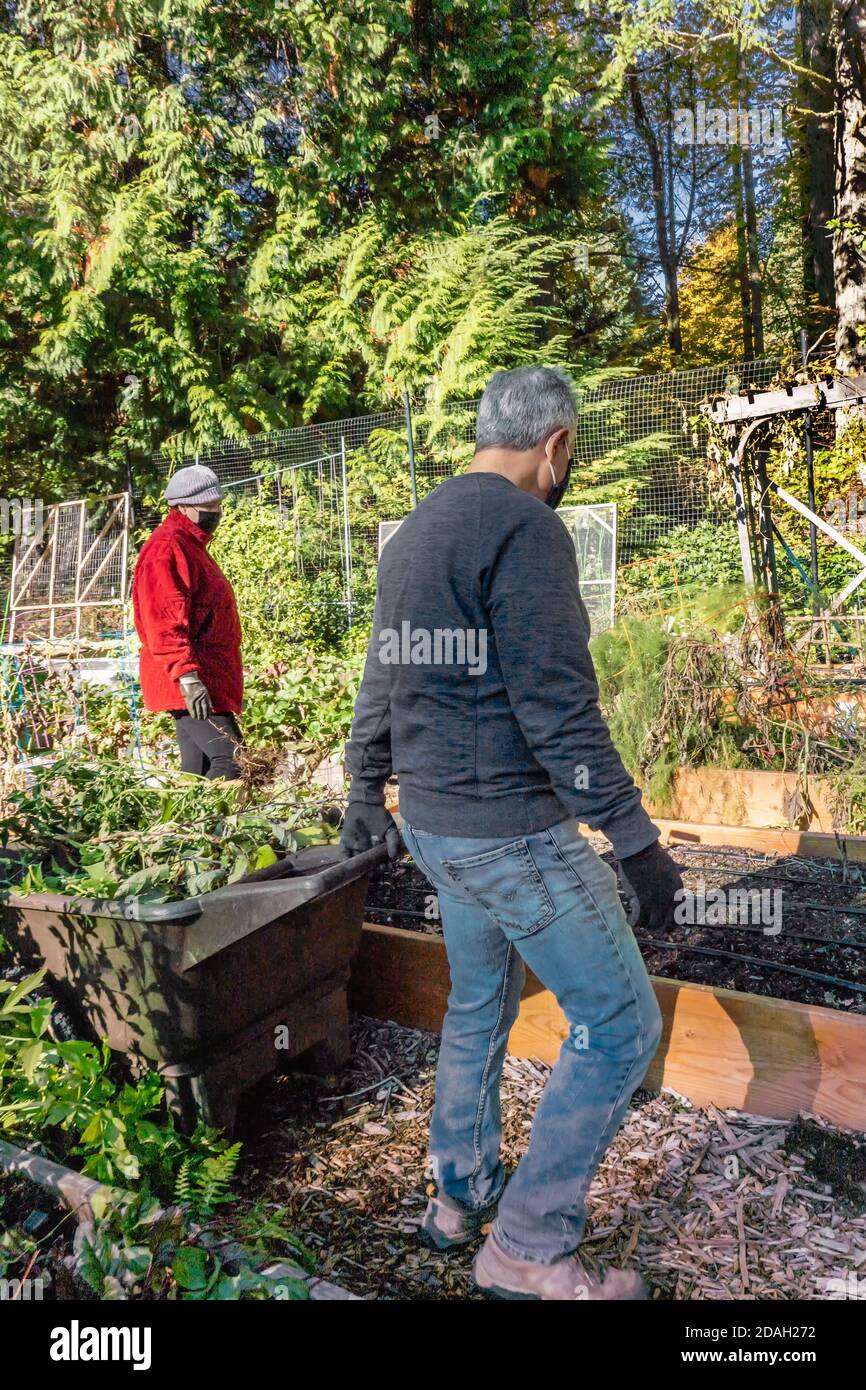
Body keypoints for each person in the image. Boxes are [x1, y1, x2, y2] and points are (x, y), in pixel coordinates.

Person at [340, 365, 683, 1301]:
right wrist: (635, 841)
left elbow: (386, 673)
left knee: (478, 1005)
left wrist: (365, 786)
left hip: (439, 831)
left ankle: (456, 1200)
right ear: (556, 444)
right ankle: (528, 1248)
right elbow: (558, 708)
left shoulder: (417, 530)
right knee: (619, 1025)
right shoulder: (526, 529)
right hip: (511, 833)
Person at [132, 464, 243, 780]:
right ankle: (218, 828)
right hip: (188, 679)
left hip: (201, 677)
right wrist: (188, 678)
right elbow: (163, 621)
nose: (216, 513)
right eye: (208, 508)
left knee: (198, 771)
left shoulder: (190, 546)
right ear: (182, 507)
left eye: (218, 506)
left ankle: (183, 829)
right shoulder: (167, 549)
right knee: (233, 761)